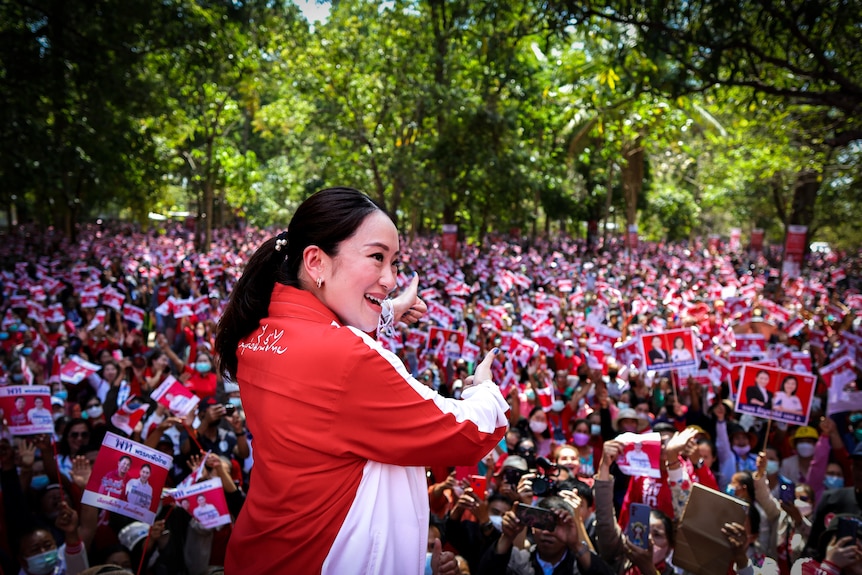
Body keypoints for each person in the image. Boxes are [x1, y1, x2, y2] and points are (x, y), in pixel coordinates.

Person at [215, 188, 509, 574]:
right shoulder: (347, 358)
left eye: (394, 262)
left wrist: (384, 312)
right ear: (316, 261)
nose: (390, 278)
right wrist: (482, 389)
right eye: (376, 257)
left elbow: (323, 339)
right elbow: (465, 433)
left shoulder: (260, 332)